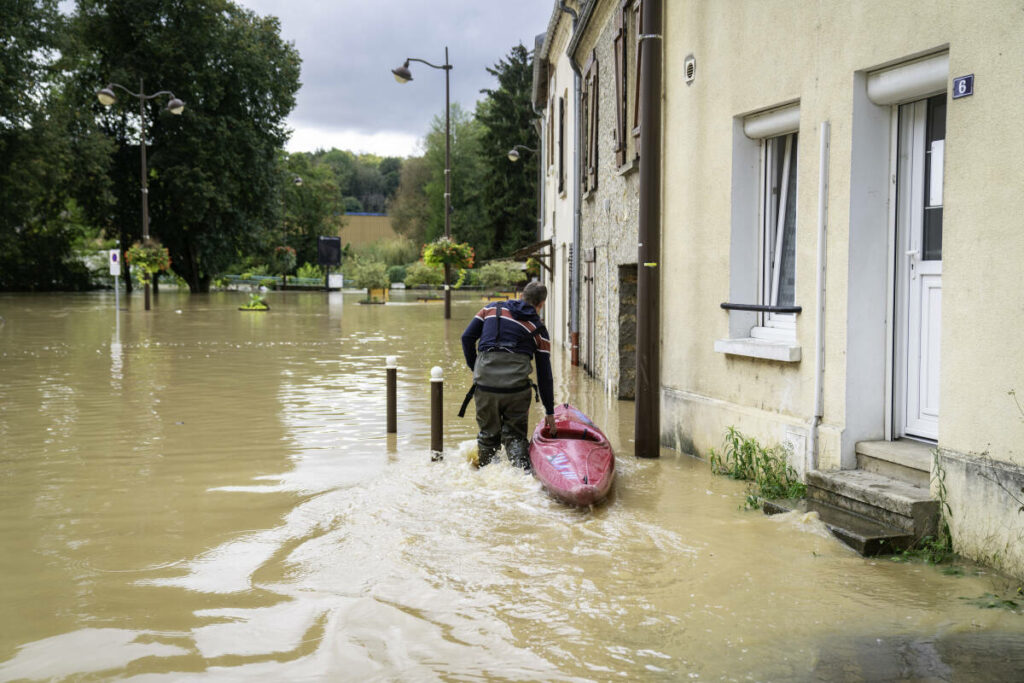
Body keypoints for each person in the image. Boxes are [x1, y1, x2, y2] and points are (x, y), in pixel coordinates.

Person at [460, 281, 557, 468]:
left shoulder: (490, 309)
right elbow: (545, 375)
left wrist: (477, 369)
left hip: (485, 387)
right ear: (542, 304)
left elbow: (466, 338)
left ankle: (485, 478)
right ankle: (522, 479)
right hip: (517, 391)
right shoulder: (540, 331)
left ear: (521, 295)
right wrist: (550, 412)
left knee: (487, 438)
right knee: (515, 438)